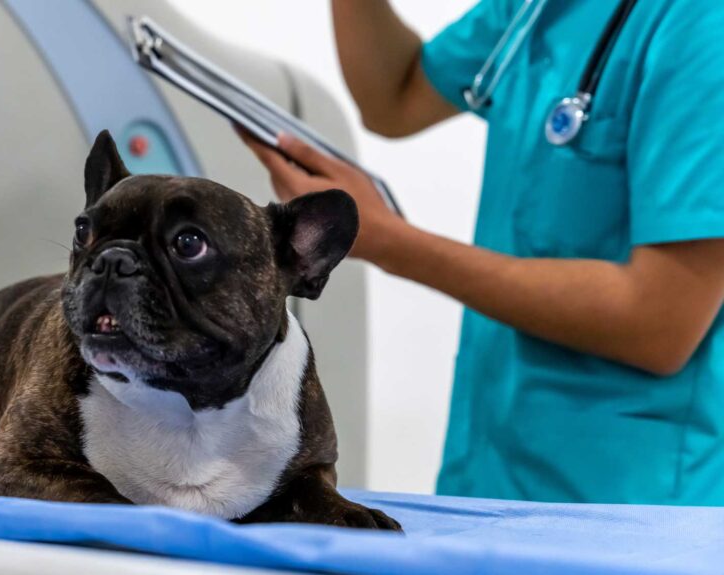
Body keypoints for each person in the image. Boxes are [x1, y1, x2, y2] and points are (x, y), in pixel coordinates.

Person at [239, 0, 724, 505]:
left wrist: (392, 243)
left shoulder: (703, 25)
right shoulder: (542, 7)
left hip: (632, 511)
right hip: (491, 484)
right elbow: (395, 97)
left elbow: (662, 321)